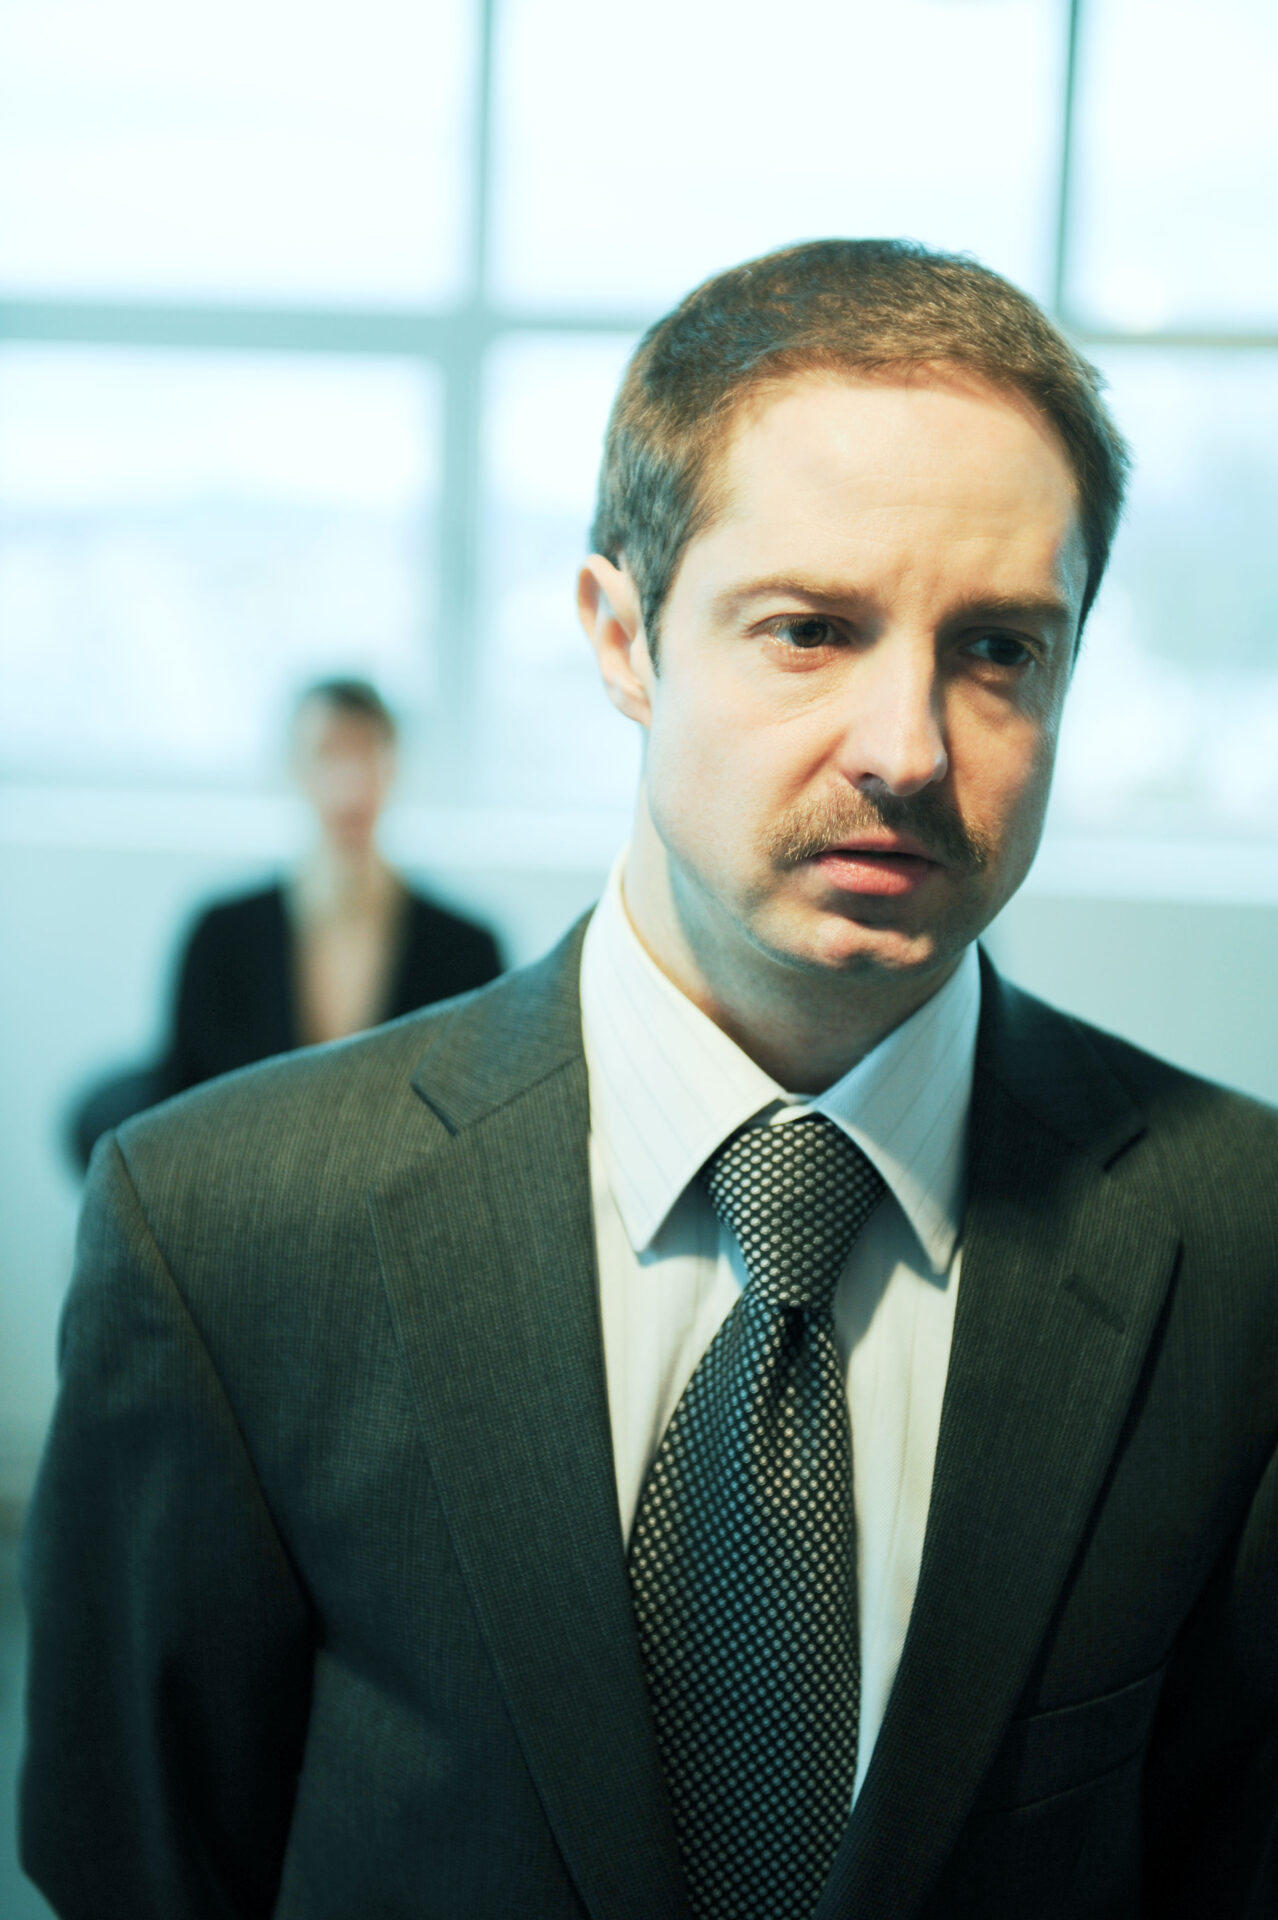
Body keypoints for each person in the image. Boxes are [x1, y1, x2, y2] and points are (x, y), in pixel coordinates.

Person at [20, 241, 1277, 1919]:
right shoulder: (224, 1232)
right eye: (810, 630)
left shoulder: (1241, 1246)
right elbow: (138, 1865)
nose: (906, 749)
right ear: (622, 638)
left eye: (996, 650)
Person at [68, 677, 502, 1167]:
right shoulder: (220, 936)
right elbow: (180, 1099)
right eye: (327, 754)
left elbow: (480, 1118)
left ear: (394, 766)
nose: (350, 781)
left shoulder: (467, 947)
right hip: (244, 1186)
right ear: (293, 769)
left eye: (367, 752)